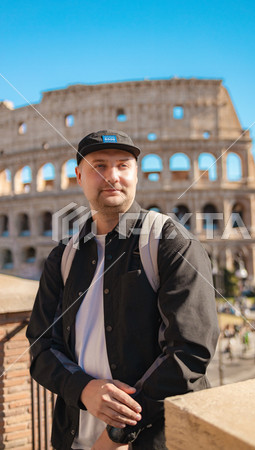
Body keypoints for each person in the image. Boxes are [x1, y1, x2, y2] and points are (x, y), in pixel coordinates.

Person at [26, 130, 220, 450]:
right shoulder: (63, 257)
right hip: (73, 439)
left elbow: (191, 351)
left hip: (154, 441)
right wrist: (84, 389)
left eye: (123, 165)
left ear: (136, 174)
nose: (112, 176)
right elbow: (41, 347)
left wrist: (117, 434)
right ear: (78, 176)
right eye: (98, 166)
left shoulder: (170, 242)